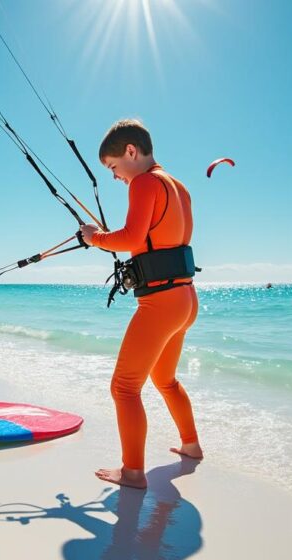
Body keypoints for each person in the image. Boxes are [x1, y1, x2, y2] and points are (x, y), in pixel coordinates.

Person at [79, 120, 203, 489]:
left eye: (114, 167)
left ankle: (133, 472)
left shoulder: (145, 182)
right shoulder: (177, 186)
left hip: (161, 303)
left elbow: (131, 237)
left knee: (124, 388)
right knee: (164, 379)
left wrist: (95, 237)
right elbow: (156, 239)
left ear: (131, 151)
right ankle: (191, 446)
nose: (116, 177)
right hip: (185, 300)